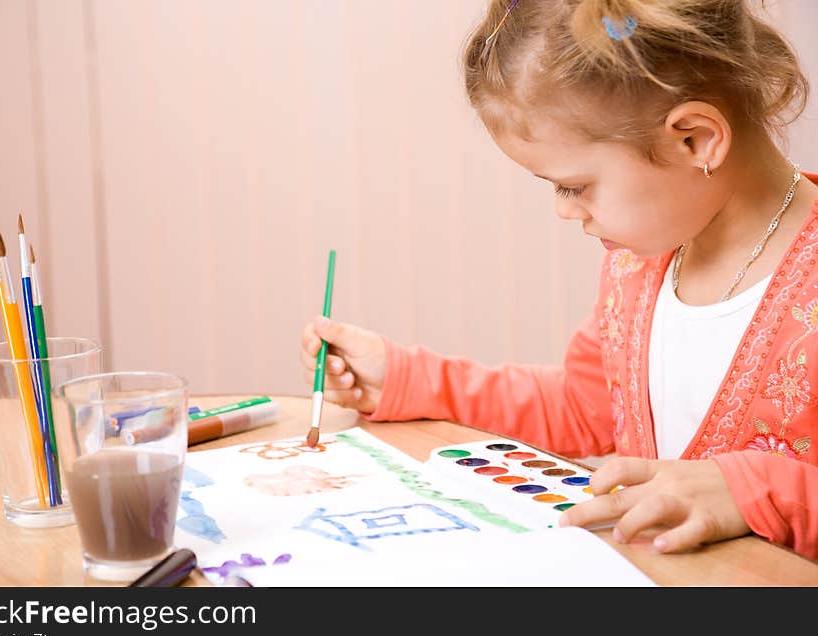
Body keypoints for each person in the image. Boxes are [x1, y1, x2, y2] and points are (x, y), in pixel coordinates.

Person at [299, 0, 818, 560]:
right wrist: (409, 379)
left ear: (694, 138)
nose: (564, 211)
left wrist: (755, 492)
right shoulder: (639, 263)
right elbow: (585, 407)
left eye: (573, 186)